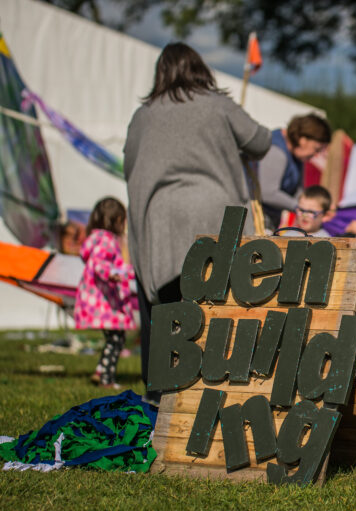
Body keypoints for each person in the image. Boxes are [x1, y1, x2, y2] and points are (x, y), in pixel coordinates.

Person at [123, 42, 272, 402]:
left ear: (161, 73)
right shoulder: (218, 105)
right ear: (201, 69)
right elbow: (261, 141)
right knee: (220, 306)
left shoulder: (144, 115)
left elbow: (129, 165)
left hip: (160, 219)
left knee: (164, 310)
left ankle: (160, 396)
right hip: (214, 214)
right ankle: (222, 389)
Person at [74, 198, 136, 389]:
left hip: (98, 299)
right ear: (116, 220)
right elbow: (99, 263)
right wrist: (111, 274)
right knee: (116, 338)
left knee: (114, 338)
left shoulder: (96, 238)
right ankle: (106, 379)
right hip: (105, 302)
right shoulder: (107, 240)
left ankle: (101, 370)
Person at [257, 114, 332, 231]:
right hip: (255, 219)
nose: (316, 155)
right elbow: (267, 192)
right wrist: (302, 208)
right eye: (316, 149)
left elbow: (298, 193)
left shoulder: (297, 157)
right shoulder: (277, 151)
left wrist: (316, 204)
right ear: (303, 140)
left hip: (269, 221)